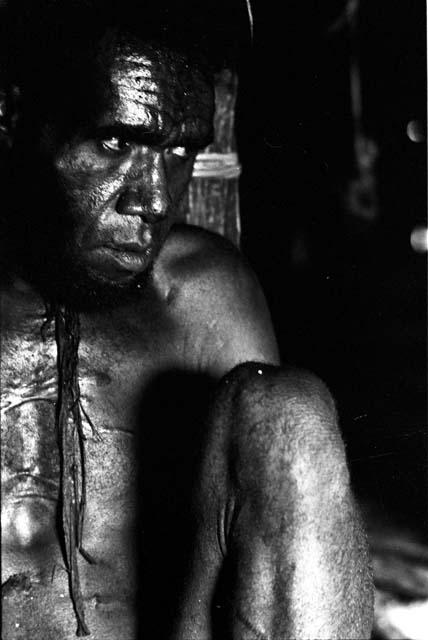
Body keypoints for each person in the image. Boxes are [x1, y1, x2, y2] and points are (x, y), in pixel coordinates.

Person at [1, 4, 373, 639]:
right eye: (114, 141)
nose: (152, 198)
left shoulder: (205, 295)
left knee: (289, 411)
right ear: (12, 119)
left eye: (178, 152)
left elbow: (281, 554)